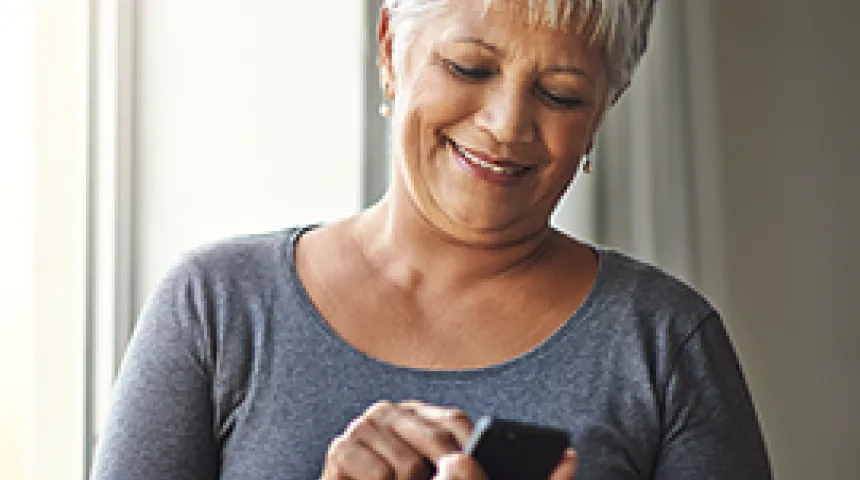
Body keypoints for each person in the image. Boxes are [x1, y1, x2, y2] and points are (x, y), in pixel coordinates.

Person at [91, 0, 773, 478]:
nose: (507, 124)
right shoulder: (217, 308)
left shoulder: (665, 342)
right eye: (471, 69)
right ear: (390, 50)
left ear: (601, 113)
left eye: (561, 94)